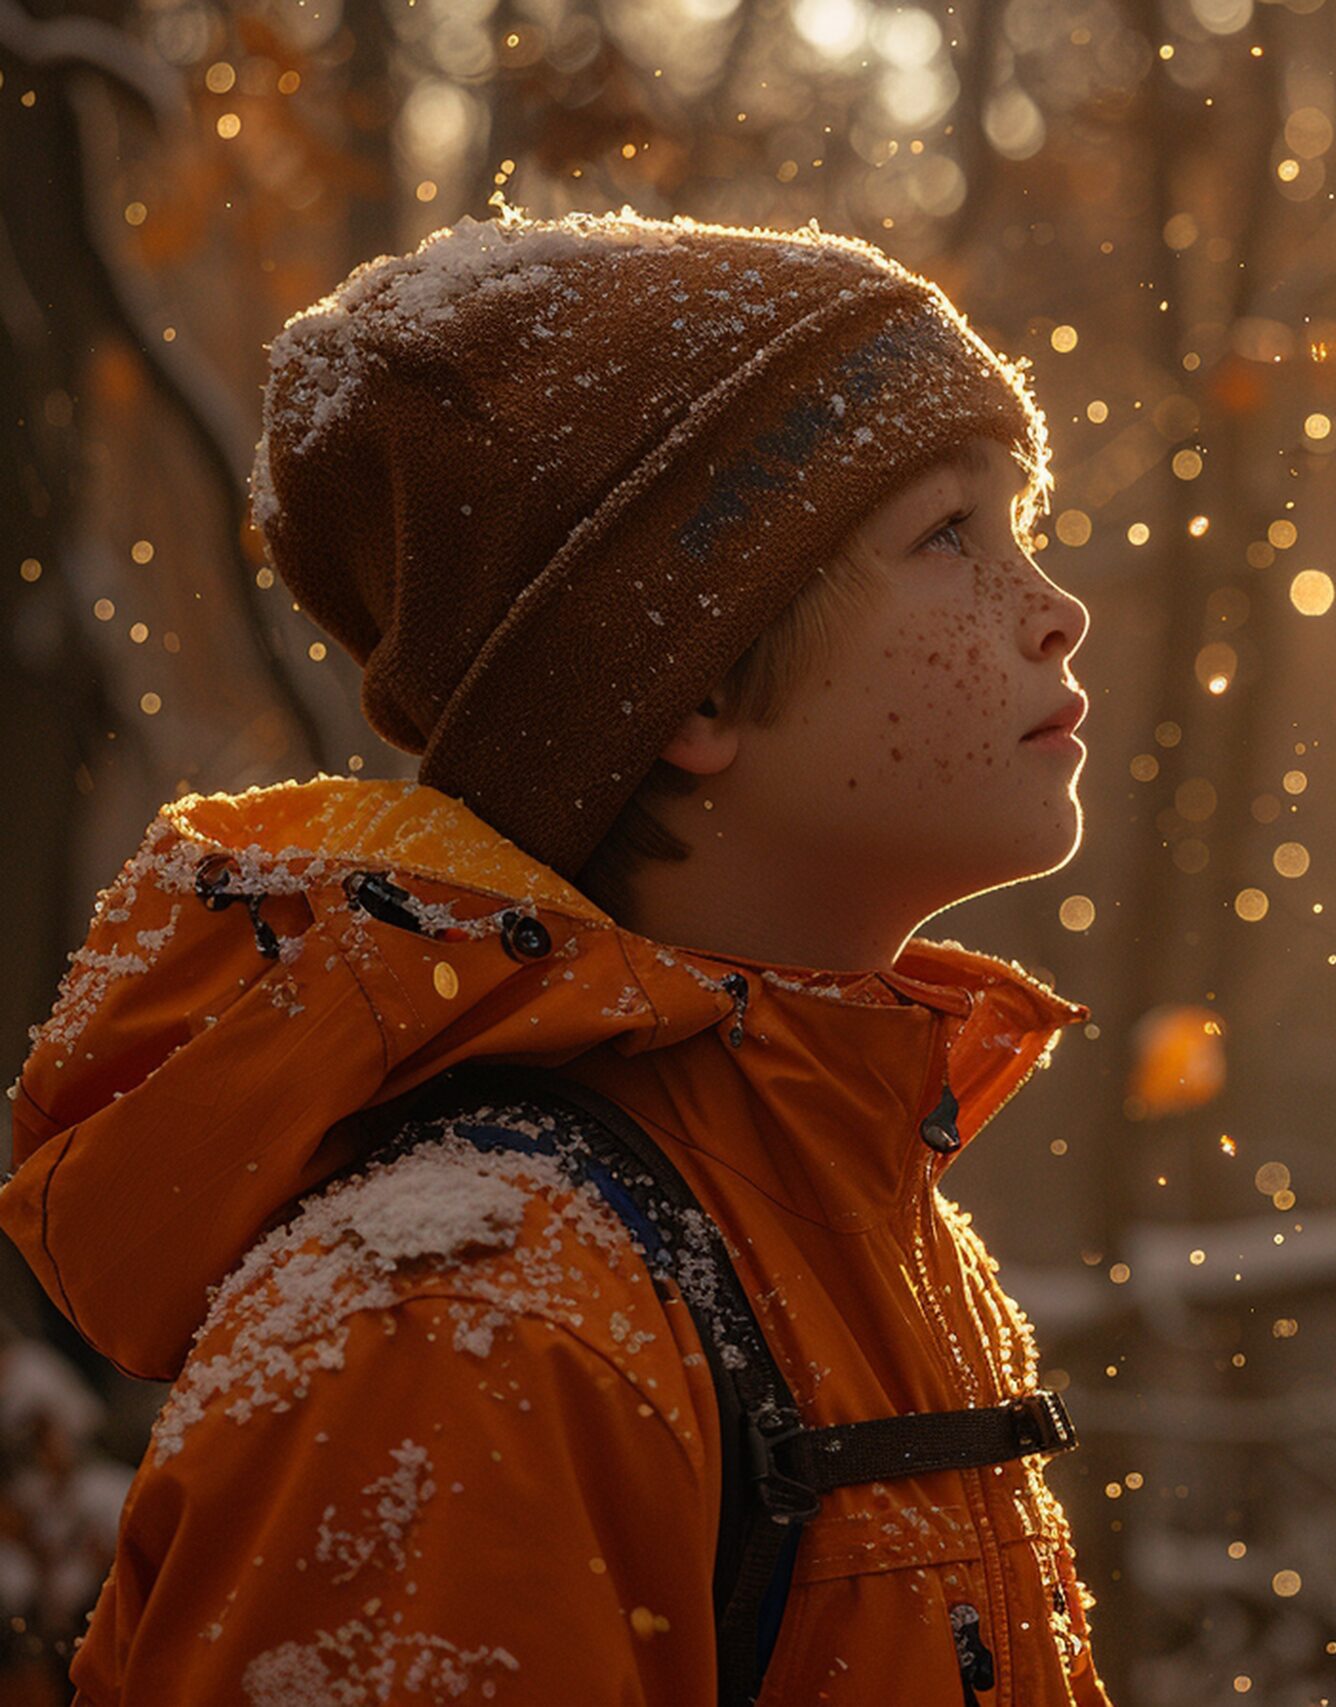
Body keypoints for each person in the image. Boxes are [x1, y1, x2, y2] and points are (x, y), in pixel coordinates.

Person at [0, 205, 1111, 1704]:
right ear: (690, 687)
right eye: (949, 535)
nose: (1055, 610)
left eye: (1021, 526)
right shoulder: (467, 1327)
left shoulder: (830, 1201)